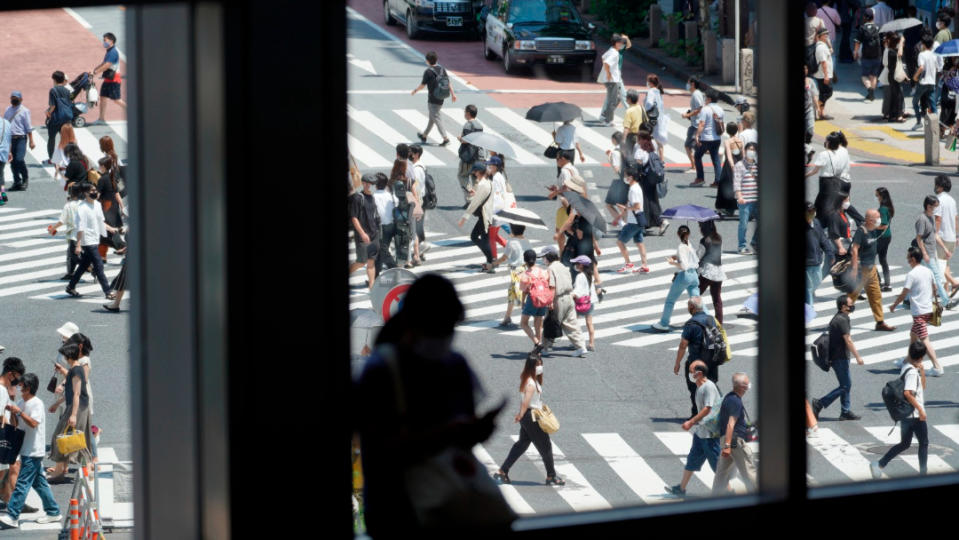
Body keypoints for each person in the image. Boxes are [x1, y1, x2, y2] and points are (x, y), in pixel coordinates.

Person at [355, 274, 512, 535]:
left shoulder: (455, 365)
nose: (446, 335)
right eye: (440, 326)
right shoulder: (382, 372)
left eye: (450, 327)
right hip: (398, 511)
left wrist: (474, 432)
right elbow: (379, 450)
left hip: (446, 503)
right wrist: (450, 435)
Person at [493, 351, 564, 486]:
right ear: (532, 366)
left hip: (528, 416)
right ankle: (551, 476)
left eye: (541, 364)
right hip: (532, 417)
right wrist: (520, 415)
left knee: (522, 444)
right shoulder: (531, 383)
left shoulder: (527, 378)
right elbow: (526, 402)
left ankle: (502, 471)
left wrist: (521, 415)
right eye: (538, 364)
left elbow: (524, 402)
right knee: (545, 446)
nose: (541, 367)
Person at [0, 374, 61, 529]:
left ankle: (13, 515)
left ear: (28, 387)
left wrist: (19, 412)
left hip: (34, 450)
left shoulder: (37, 404)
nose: (19, 387)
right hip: (25, 448)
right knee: (39, 483)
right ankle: (53, 512)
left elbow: (33, 423)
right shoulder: (21, 402)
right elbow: (17, 426)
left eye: (21, 385)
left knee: (22, 483)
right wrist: (13, 413)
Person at [871, 341, 929, 478]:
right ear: (921, 357)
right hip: (913, 414)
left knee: (905, 443)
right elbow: (908, 393)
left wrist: (922, 371)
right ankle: (923, 475)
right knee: (924, 443)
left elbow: (922, 387)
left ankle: (879, 464)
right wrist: (920, 411)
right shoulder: (912, 373)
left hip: (906, 414)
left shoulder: (906, 366)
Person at [664, 359, 721, 498]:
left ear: (699, 374)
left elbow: (707, 408)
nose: (688, 373)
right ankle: (681, 488)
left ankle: (729, 492)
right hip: (701, 432)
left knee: (718, 467)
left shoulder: (708, 387)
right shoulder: (699, 386)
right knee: (692, 460)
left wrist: (691, 421)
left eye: (691, 371)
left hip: (710, 435)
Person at [890, 247, 946, 377]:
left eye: (908, 258)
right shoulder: (928, 271)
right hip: (927, 310)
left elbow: (904, 293)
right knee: (913, 335)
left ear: (913, 259)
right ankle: (908, 361)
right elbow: (935, 287)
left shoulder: (912, 274)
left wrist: (894, 305)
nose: (907, 260)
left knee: (924, 339)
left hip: (919, 312)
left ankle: (937, 366)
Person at [810, 296, 864, 422]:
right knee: (846, 385)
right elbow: (848, 340)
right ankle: (820, 403)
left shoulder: (841, 317)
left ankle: (845, 411)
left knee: (845, 385)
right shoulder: (841, 320)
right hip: (839, 358)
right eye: (850, 304)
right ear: (843, 306)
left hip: (839, 357)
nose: (852, 305)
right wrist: (858, 357)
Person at [65, 182, 119, 299]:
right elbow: (80, 227)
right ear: (85, 193)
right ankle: (108, 291)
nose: (95, 192)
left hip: (95, 238)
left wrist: (111, 229)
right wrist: (78, 245)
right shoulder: (82, 208)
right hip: (87, 241)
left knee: (83, 265)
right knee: (99, 266)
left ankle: (71, 286)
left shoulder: (97, 205)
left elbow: (100, 221)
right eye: (92, 191)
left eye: (95, 190)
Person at [849, 208, 896, 331]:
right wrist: (854, 269)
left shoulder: (874, 229)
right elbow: (854, 249)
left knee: (876, 295)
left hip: (871, 269)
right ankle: (840, 318)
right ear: (870, 220)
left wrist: (888, 221)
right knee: (852, 295)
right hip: (861, 269)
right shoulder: (861, 231)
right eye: (877, 217)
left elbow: (884, 227)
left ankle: (880, 322)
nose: (879, 219)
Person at [673, 296, 721, 414]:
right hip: (712, 361)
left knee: (694, 388)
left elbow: (683, 345)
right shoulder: (711, 319)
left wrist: (677, 363)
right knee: (712, 386)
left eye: (688, 306)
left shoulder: (691, 324)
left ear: (692, 307)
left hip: (696, 363)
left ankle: (696, 413)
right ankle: (719, 412)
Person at [711, 372, 758, 495]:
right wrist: (727, 446)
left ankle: (715, 497)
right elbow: (731, 424)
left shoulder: (729, 397)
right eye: (747, 383)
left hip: (727, 439)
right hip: (734, 441)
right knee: (748, 470)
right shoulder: (736, 401)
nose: (749, 385)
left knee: (722, 473)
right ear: (743, 387)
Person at [541, 246, 587, 357]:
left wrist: (550, 301)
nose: (543, 260)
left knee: (550, 322)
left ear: (548, 257)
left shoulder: (551, 269)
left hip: (558, 298)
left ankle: (544, 348)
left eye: (543, 257)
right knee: (572, 323)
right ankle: (581, 346)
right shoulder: (563, 266)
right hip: (569, 297)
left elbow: (552, 286)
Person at [652, 225, 701, 332]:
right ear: (689, 234)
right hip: (694, 275)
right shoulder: (689, 244)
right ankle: (703, 321)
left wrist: (672, 263)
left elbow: (683, 266)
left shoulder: (681, 246)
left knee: (670, 300)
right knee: (697, 301)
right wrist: (676, 256)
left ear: (678, 234)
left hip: (685, 276)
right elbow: (690, 258)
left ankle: (664, 323)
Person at [915, 195, 953, 308]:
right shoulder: (921, 219)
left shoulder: (931, 217)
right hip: (927, 253)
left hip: (933, 251)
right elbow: (919, 238)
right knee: (937, 276)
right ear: (928, 206)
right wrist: (925, 254)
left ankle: (908, 299)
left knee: (923, 276)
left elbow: (935, 235)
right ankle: (946, 301)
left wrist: (945, 249)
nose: (937, 209)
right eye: (935, 207)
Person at [457, 162, 495, 273]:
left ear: (479, 172)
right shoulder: (488, 182)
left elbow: (474, 204)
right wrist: (476, 193)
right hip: (487, 215)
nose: (474, 174)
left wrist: (464, 218)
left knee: (475, 237)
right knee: (484, 239)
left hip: (484, 216)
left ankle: (490, 261)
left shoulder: (483, 184)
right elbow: (482, 196)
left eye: (475, 172)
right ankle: (490, 262)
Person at [413, 51, 456, 145]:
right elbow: (448, 82)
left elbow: (422, 85)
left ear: (428, 61)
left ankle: (445, 138)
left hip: (433, 98)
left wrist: (415, 90)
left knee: (436, 117)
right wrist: (453, 94)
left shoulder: (428, 72)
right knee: (432, 117)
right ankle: (424, 136)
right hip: (442, 97)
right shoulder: (442, 69)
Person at [494, 224, 532, 329]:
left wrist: (494, 263)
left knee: (518, 294)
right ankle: (508, 316)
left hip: (516, 271)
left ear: (512, 230)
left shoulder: (511, 242)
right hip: (526, 269)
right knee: (516, 293)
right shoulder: (526, 241)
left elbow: (504, 257)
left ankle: (522, 318)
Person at [614, 165, 650, 274]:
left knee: (620, 242)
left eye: (626, 176)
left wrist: (625, 208)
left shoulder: (633, 190)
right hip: (639, 220)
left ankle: (628, 263)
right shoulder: (636, 187)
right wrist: (622, 214)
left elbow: (637, 206)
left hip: (633, 221)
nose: (624, 178)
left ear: (631, 177)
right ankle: (644, 265)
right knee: (640, 243)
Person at [349, 173, 380, 289]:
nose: (368, 186)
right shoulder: (358, 198)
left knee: (371, 262)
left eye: (370, 184)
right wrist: (362, 233)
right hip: (362, 236)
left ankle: (372, 288)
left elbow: (375, 216)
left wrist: (377, 232)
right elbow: (354, 218)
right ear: (362, 183)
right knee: (361, 262)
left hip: (374, 234)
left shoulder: (372, 197)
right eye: (366, 183)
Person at [48, 183, 84, 280]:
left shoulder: (69, 206)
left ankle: (90, 268)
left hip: (74, 234)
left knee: (74, 255)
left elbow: (62, 221)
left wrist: (53, 228)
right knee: (70, 254)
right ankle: (70, 273)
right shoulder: (84, 204)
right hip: (85, 233)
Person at [635, 131, 668, 235]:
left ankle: (654, 223)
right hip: (652, 179)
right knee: (652, 201)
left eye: (639, 139)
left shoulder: (640, 151)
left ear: (642, 140)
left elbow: (638, 164)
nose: (637, 141)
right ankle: (658, 222)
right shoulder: (651, 147)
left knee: (645, 202)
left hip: (644, 180)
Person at [91, 32, 126, 124]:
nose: (103, 42)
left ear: (111, 41)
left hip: (114, 80)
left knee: (117, 100)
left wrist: (95, 72)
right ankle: (101, 119)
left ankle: (133, 113)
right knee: (103, 97)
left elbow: (107, 65)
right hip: (108, 79)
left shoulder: (113, 52)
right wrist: (94, 70)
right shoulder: (109, 51)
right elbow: (103, 63)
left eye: (105, 40)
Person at [3, 91, 34, 192]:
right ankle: (17, 182)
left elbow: (28, 127)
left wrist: (31, 141)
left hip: (21, 138)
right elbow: (5, 124)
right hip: (10, 139)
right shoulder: (8, 110)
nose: (13, 99)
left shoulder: (25, 111)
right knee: (12, 161)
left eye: (16, 98)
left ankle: (25, 178)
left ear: (21, 99)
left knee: (19, 159)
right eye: (12, 98)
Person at [932, 175, 959, 293]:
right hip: (952, 238)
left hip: (941, 237)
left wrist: (935, 234)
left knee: (936, 265)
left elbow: (937, 219)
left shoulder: (938, 200)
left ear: (940, 187)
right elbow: (956, 218)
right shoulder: (952, 200)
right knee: (945, 264)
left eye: (936, 184)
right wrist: (957, 235)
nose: (935, 187)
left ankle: (954, 283)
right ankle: (945, 292)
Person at [691, 91, 723, 187]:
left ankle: (700, 178)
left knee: (697, 156)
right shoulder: (720, 109)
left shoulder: (705, 109)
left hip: (706, 138)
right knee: (716, 159)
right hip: (717, 138)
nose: (705, 99)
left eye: (706, 98)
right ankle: (718, 181)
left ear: (709, 99)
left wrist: (697, 135)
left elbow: (702, 124)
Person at [96, 156, 124, 263]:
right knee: (104, 232)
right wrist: (122, 207)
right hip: (113, 206)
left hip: (106, 206)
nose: (99, 167)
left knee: (108, 230)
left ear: (103, 167)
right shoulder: (111, 177)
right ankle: (102, 257)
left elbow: (97, 196)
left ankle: (122, 247)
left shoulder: (102, 179)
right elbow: (116, 193)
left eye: (100, 165)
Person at [518, 249, 549, 349]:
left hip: (533, 299)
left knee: (523, 323)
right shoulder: (543, 272)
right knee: (538, 323)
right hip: (543, 299)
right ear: (535, 259)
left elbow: (524, 291)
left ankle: (537, 342)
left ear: (525, 260)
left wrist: (522, 303)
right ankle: (538, 348)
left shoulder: (525, 275)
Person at [732, 141, 759, 255]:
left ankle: (755, 242)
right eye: (750, 149)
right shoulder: (739, 165)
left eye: (753, 150)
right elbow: (736, 183)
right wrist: (739, 197)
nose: (751, 152)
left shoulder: (758, 165)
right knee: (743, 224)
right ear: (745, 151)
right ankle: (741, 246)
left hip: (757, 200)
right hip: (745, 200)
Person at [697, 220, 725, 324]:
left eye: (700, 226)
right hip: (718, 272)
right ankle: (719, 322)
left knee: (695, 295)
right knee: (717, 298)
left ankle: (700, 319)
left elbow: (698, 256)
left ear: (703, 228)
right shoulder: (719, 238)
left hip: (707, 272)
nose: (699, 228)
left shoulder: (704, 240)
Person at [455, 104, 484, 206]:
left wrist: (459, 138)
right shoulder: (480, 126)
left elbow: (466, 140)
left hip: (468, 156)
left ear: (468, 113)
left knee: (462, 176)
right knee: (475, 178)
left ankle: (470, 195)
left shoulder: (468, 125)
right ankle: (475, 200)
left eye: (465, 112)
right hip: (478, 156)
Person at [806, 202, 834, 306]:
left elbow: (823, 240)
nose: (812, 213)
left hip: (817, 261)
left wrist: (830, 253)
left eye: (813, 211)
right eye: (809, 211)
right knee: (808, 288)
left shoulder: (816, 223)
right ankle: (809, 309)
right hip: (807, 263)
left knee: (816, 282)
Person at [44, 71, 73, 164]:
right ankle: (68, 157)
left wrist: (47, 113)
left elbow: (53, 106)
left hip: (56, 119)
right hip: (66, 118)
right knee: (66, 138)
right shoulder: (67, 91)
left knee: (51, 138)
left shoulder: (53, 90)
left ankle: (52, 158)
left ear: (55, 80)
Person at [853, 8, 882, 101]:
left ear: (865, 17)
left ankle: (870, 90)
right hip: (877, 55)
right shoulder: (878, 28)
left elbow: (857, 42)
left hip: (866, 55)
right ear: (873, 17)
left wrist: (855, 52)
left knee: (864, 76)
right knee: (874, 75)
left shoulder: (862, 28)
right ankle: (871, 94)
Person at [571, 255, 598, 352]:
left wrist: (570, 296)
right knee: (589, 323)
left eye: (577, 263)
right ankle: (591, 343)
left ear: (581, 265)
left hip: (580, 302)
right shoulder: (590, 274)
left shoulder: (580, 276)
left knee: (575, 322)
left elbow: (578, 290)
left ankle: (577, 342)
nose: (575, 265)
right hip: (590, 302)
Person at [598, 35, 626, 126]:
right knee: (612, 100)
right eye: (621, 43)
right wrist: (609, 73)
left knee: (616, 97)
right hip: (612, 80)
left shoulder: (611, 50)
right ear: (616, 43)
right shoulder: (614, 53)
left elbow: (603, 58)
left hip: (612, 79)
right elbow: (606, 63)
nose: (622, 45)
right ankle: (607, 120)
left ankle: (604, 116)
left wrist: (608, 72)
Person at [912, 35, 938, 130]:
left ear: (923, 44)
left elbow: (921, 67)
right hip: (932, 82)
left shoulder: (921, 54)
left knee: (915, 101)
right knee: (933, 104)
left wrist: (915, 76)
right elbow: (938, 67)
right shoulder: (935, 54)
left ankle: (918, 122)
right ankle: (936, 125)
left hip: (923, 82)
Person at [373, 172, 398, 272]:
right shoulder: (391, 196)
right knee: (380, 251)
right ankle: (375, 277)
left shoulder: (373, 197)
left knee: (382, 251)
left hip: (380, 228)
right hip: (392, 226)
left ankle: (394, 268)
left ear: (375, 184)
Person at [486, 155, 510, 261]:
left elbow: (495, 197)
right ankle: (511, 249)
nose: (489, 167)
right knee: (494, 236)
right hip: (501, 209)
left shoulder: (496, 178)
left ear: (495, 166)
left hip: (495, 211)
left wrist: (490, 212)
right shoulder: (499, 176)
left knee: (491, 237)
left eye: (490, 165)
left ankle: (494, 259)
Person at [715, 122, 742, 217]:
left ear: (727, 131)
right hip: (739, 163)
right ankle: (737, 207)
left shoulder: (727, 141)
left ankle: (726, 207)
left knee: (725, 184)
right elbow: (742, 155)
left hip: (729, 166)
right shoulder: (740, 141)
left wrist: (732, 167)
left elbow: (729, 156)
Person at [682, 77, 706, 174]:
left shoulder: (696, 94)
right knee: (697, 146)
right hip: (696, 123)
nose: (687, 85)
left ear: (692, 84)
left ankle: (693, 167)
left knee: (687, 146)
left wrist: (687, 115)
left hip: (696, 125)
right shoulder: (697, 93)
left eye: (688, 82)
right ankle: (717, 153)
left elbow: (699, 108)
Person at [409, 144, 428, 264]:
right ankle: (421, 251)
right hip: (421, 200)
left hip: (418, 201)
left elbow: (416, 187)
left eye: (410, 152)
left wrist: (416, 203)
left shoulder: (416, 169)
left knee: (415, 228)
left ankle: (421, 250)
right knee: (418, 227)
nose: (409, 154)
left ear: (416, 154)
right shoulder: (420, 166)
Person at [881, 32, 906, 123]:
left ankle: (892, 115)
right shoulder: (891, 51)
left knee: (894, 95)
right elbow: (900, 54)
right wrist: (901, 42)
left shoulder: (889, 50)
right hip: (894, 76)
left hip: (892, 75)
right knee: (898, 95)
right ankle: (898, 116)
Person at [644, 74, 669, 161]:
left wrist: (647, 111)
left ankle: (650, 159)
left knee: (647, 138)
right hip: (659, 119)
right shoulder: (658, 91)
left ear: (650, 83)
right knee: (659, 142)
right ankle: (661, 161)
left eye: (647, 81)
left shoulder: (651, 92)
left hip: (652, 119)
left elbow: (649, 104)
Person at [814, 27, 835, 119]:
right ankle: (816, 107)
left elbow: (826, 56)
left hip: (823, 74)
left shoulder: (823, 45)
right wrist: (826, 75)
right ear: (819, 36)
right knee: (828, 92)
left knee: (823, 93)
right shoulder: (821, 47)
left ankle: (821, 113)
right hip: (823, 75)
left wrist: (829, 48)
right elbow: (823, 62)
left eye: (827, 34)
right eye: (824, 34)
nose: (827, 35)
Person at [876, 187, 895, 291]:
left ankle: (877, 281)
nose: (877, 198)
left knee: (869, 259)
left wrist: (872, 226)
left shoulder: (883, 208)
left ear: (882, 196)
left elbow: (883, 225)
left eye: (877, 195)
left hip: (881, 237)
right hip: (887, 236)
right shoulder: (889, 206)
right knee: (883, 260)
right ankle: (887, 284)